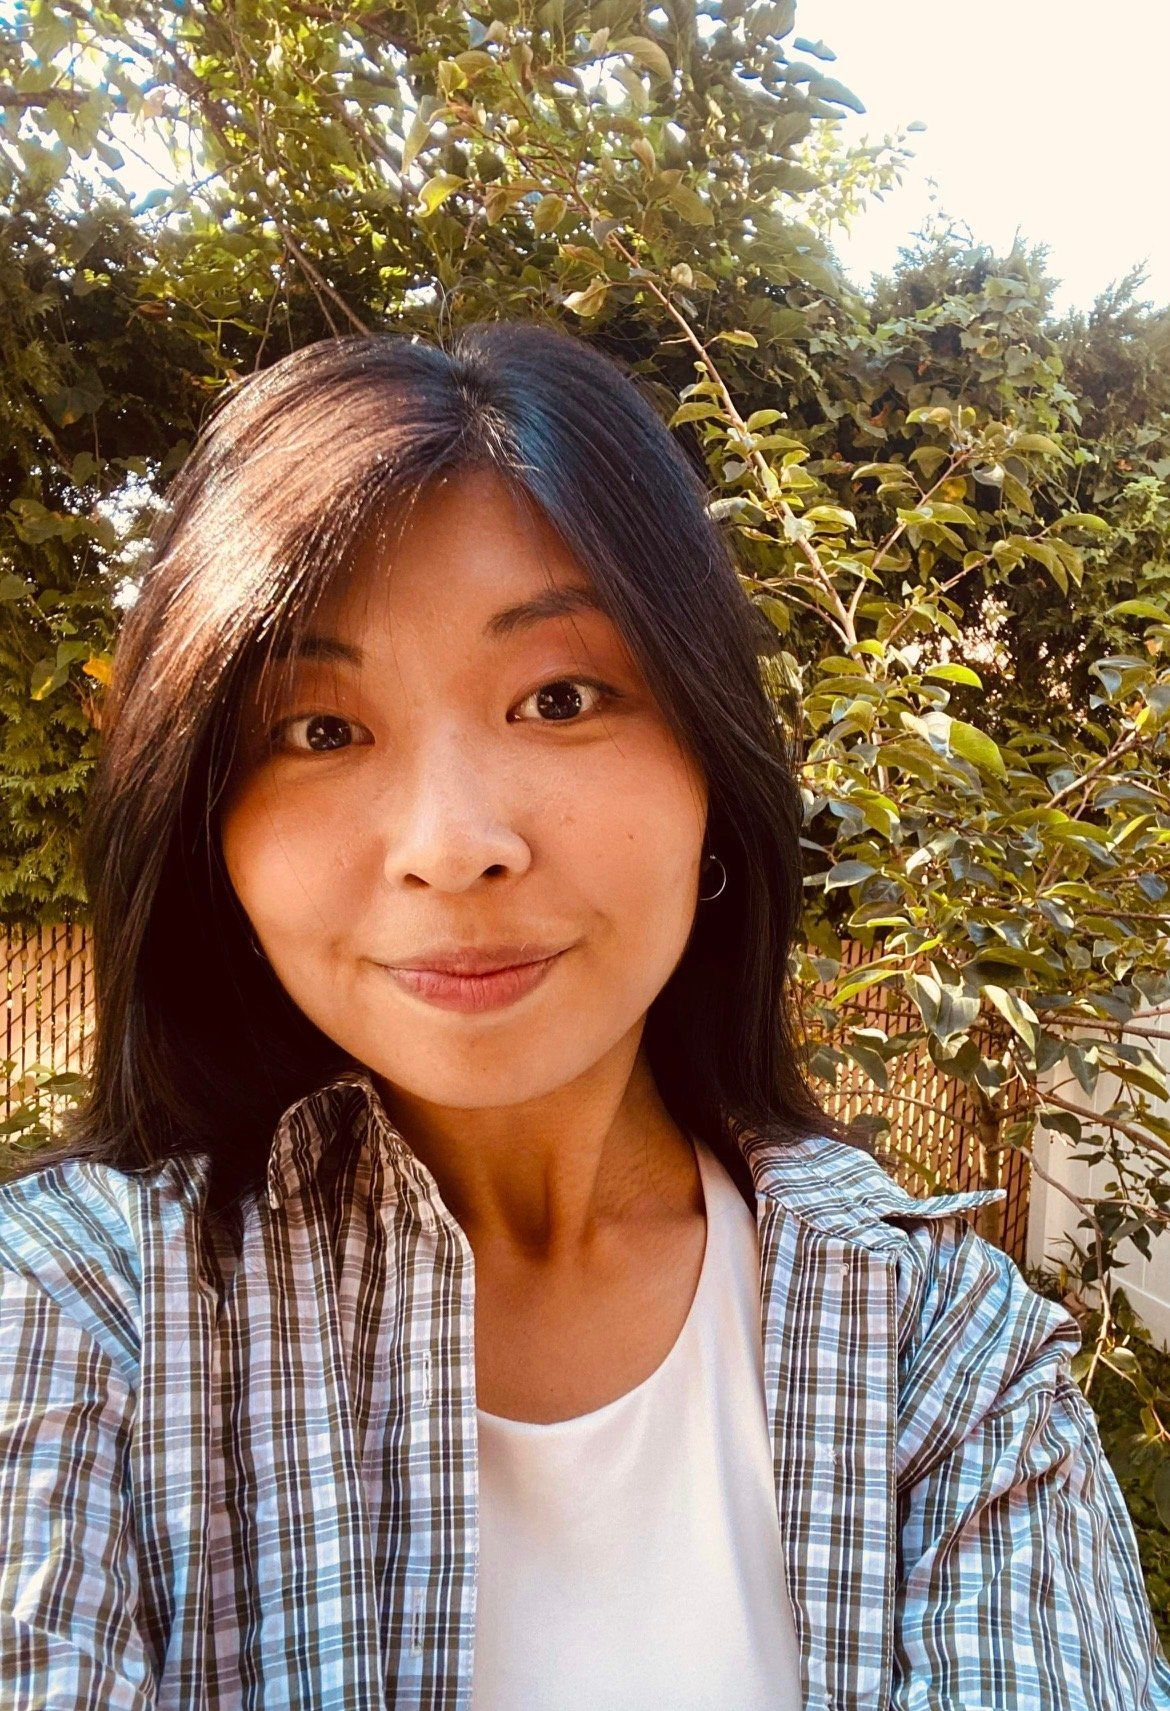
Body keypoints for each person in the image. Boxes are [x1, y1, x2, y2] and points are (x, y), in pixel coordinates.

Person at [1, 319, 1167, 1711]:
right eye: (318, 729)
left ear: (708, 778)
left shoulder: (940, 1363)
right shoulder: (75, 1330)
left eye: (559, 697)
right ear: (208, 830)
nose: (454, 843)